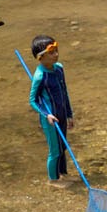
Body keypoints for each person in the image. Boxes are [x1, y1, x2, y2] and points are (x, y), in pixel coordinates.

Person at [28, 35, 75, 188]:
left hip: (61, 115)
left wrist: (69, 114)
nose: (56, 54)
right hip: (50, 119)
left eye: (56, 50)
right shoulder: (40, 76)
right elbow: (33, 100)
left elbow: (64, 92)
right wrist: (46, 114)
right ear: (40, 57)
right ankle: (53, 179)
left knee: (63, 146)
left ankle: (64, 174)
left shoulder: (59, 68)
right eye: (52, 52)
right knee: (55, 150)